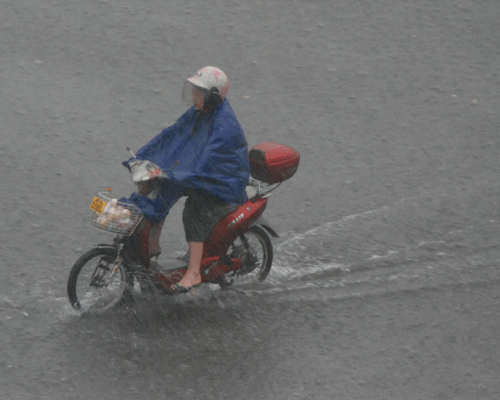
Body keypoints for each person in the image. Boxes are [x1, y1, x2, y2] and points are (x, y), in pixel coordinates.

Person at [124, 66, 250, 292]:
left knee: (193, 210)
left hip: (221, 183)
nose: (193, 96)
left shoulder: (225, 126)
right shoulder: (200, 112)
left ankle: (193, 273)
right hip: (202, 176)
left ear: (212, 95)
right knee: (160, 189)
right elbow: (172, 135)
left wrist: (176, 174)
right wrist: (143, 159)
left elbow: (207, 163)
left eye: (198, 92)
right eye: (193, 91)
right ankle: (151, 249)